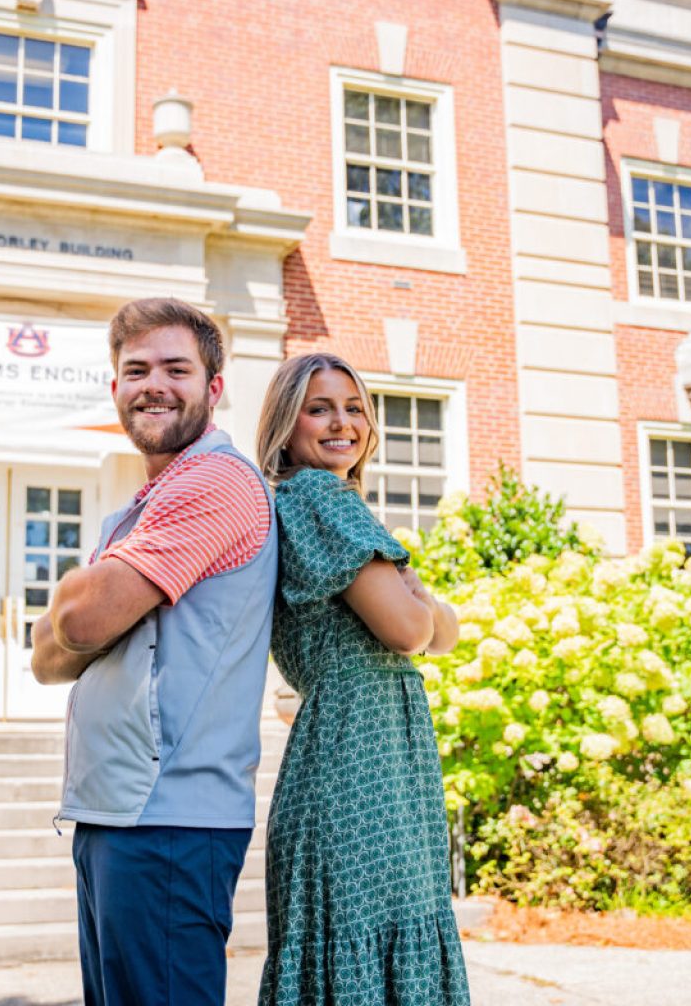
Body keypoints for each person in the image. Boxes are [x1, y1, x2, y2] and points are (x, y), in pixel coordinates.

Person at [30, 297, 277, 1006]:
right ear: (115, 389)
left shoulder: (216, 482)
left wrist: (81, 605)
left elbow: (75, 623)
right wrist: (81, 611)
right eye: (136, 369)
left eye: (177, 367)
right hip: (117, 815)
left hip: (170, 822)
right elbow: (44, 660)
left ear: (214, 388)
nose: (154, 384)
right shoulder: (145, 504)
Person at [254, 353, 470, 1006]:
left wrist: (420, 603)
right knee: (370, 945)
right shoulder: (319, 495)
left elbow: (443, 629)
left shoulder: (325, 501)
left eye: (355, 408)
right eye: (319, 408)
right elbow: (413, 632)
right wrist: (418, 601)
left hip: (364, 758)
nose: (341, 423)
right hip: (359, 770)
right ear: (286, 427)